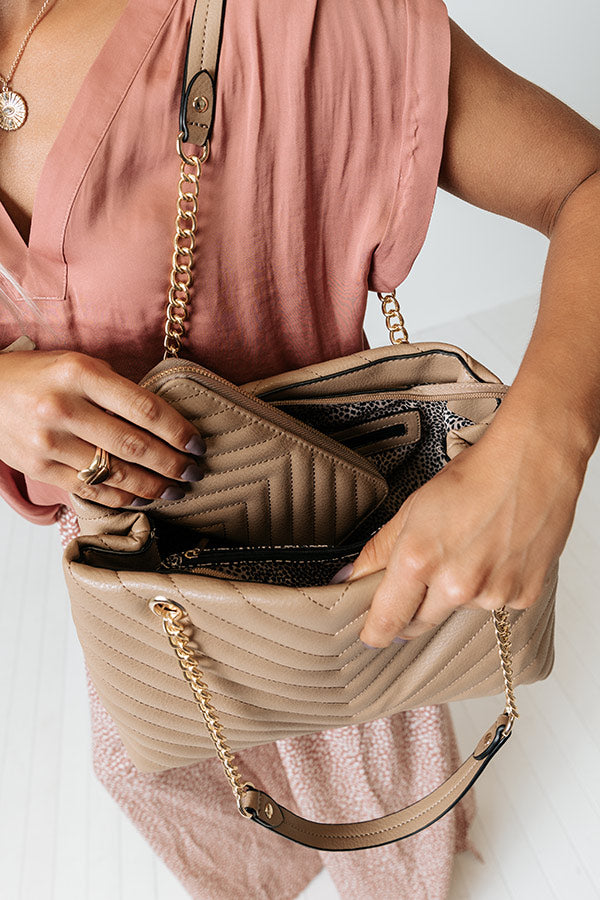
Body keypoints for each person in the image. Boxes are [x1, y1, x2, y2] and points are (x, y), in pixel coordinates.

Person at [0, 0, 598, 897]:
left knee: (379, 791)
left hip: (333, 567)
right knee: (164, 774)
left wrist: (546, 442)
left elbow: (584, 182)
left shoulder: (298, 16)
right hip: (136, 592)